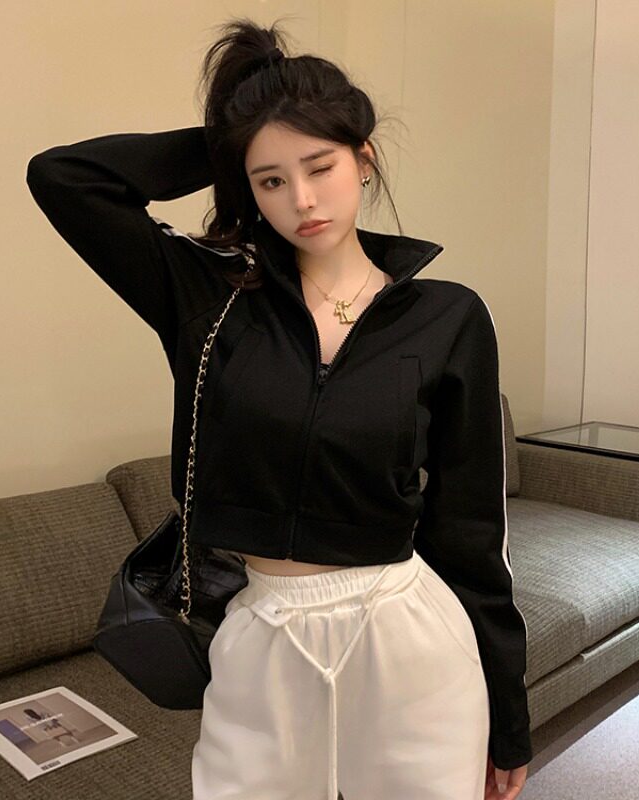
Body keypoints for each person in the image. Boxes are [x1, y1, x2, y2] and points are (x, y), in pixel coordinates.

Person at [26, 16, 531, 800]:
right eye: (269, 181)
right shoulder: (208, 298)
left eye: (320, 165)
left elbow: (471, 535)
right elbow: (63, 178)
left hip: (408, 637)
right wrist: (236, 134)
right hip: (262, 635)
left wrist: (510, 716)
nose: (301, 199)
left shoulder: (448, 317)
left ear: (364, 157)